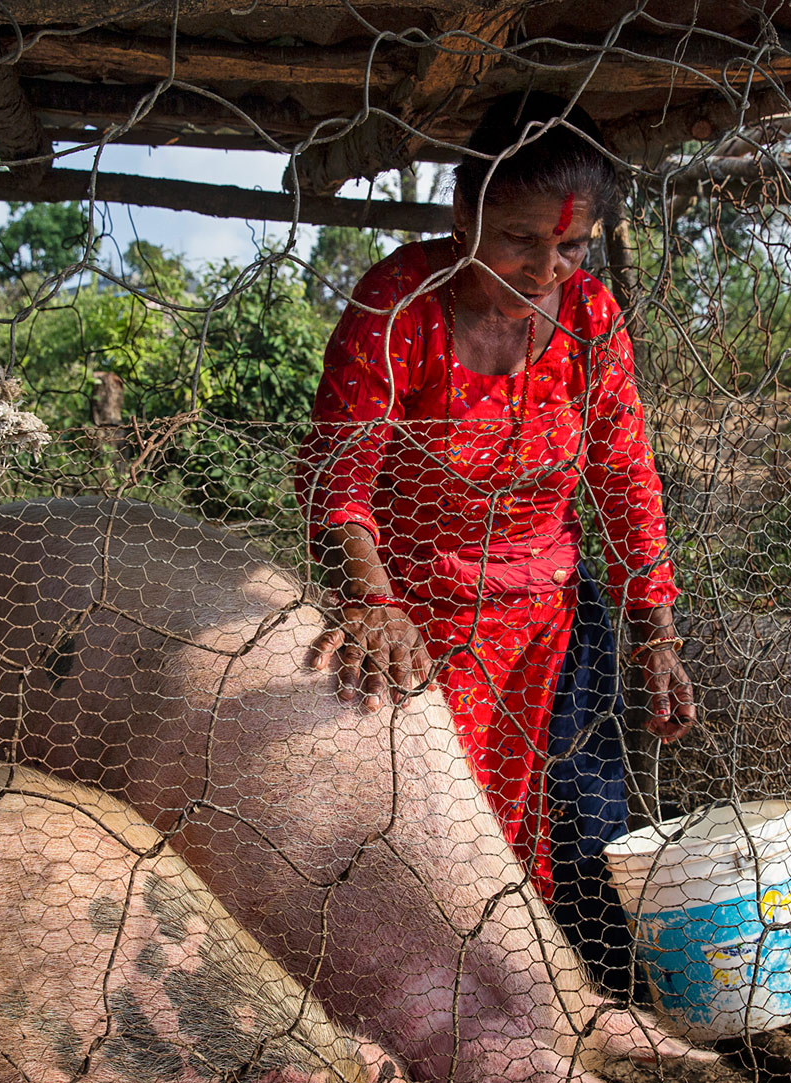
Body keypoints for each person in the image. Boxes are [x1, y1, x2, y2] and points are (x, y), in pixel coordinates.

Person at [296, 92, 695, 899]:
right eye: (519, 240)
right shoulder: (399, 305)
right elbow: (337, 475)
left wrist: (656, 635)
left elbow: (626, 479)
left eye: (571, 246)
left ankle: (566, 1019)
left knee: (581, 856)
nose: (546, 270)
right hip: (414, 629)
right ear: (462, 212)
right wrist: (373, 604)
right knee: (429, 860)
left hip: (555, 632)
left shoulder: (589, 314)